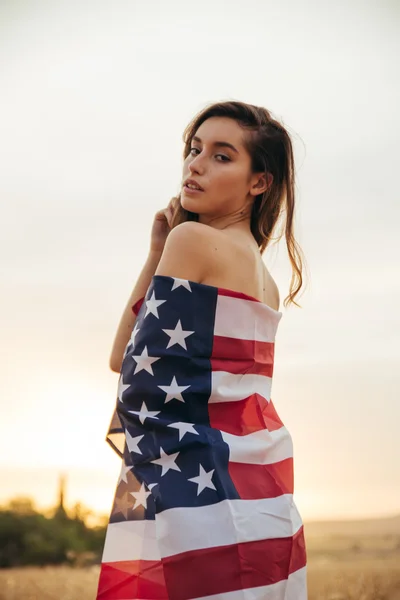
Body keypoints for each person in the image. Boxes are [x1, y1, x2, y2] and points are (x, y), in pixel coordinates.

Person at [97, 100, 308, 600]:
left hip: (201, 497)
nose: (196, 164)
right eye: (195, 150)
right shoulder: (269, 282)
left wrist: (159, 251)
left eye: (222, 155)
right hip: (265, 496)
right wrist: (159, 248)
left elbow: (125, 364)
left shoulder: (191, 240)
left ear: (260, 182)